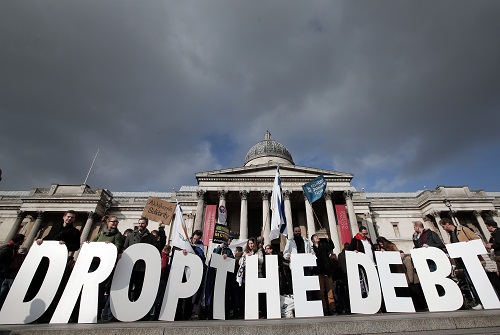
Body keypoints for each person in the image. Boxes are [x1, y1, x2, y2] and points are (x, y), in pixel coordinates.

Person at [439, 218, 484, 309]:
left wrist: (468, 244)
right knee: (470, 283)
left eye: (443, 226)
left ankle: (482, 301)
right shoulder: (451, 235)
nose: (443, 229)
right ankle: (479, 301)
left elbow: (477, 240)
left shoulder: (463, 229)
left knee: (477, 281)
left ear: (448, 224)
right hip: (462, 261)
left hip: (472, 260)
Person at [122, 217, 157, 305]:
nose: (140, 225)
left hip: (142, 267)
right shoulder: (130, 236)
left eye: (142, 223)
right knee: (127, 287)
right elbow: (125, 248)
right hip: (130, 265)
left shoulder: (151, 238)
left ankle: (136, 305)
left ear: (146, 225)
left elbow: (154, 251)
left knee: (139, 287)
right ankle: (125, 305)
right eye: (139, 223)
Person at [311, 234, 336, 316]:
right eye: (315, 237)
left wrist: (328, 238)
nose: (317, 237)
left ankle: (332, 309)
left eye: (317, 237)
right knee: (321, 292)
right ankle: (324, 309)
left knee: (330, 291)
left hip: (327, 271)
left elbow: (331, 247)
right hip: (318, 272)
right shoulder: (312, 249)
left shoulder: (323, 245)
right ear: (313, 240)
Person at [348, 226, 375, 298]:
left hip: (372, 263)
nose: (365, 235)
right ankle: (366, 294)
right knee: (364, 279)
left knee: (373, 279)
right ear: (360, 232)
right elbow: (349, 249)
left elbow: (373, 249)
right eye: (364, 233)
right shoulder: (355, 240)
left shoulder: (368, 240)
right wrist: (354, 251)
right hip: (363, 264)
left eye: (366, 233)